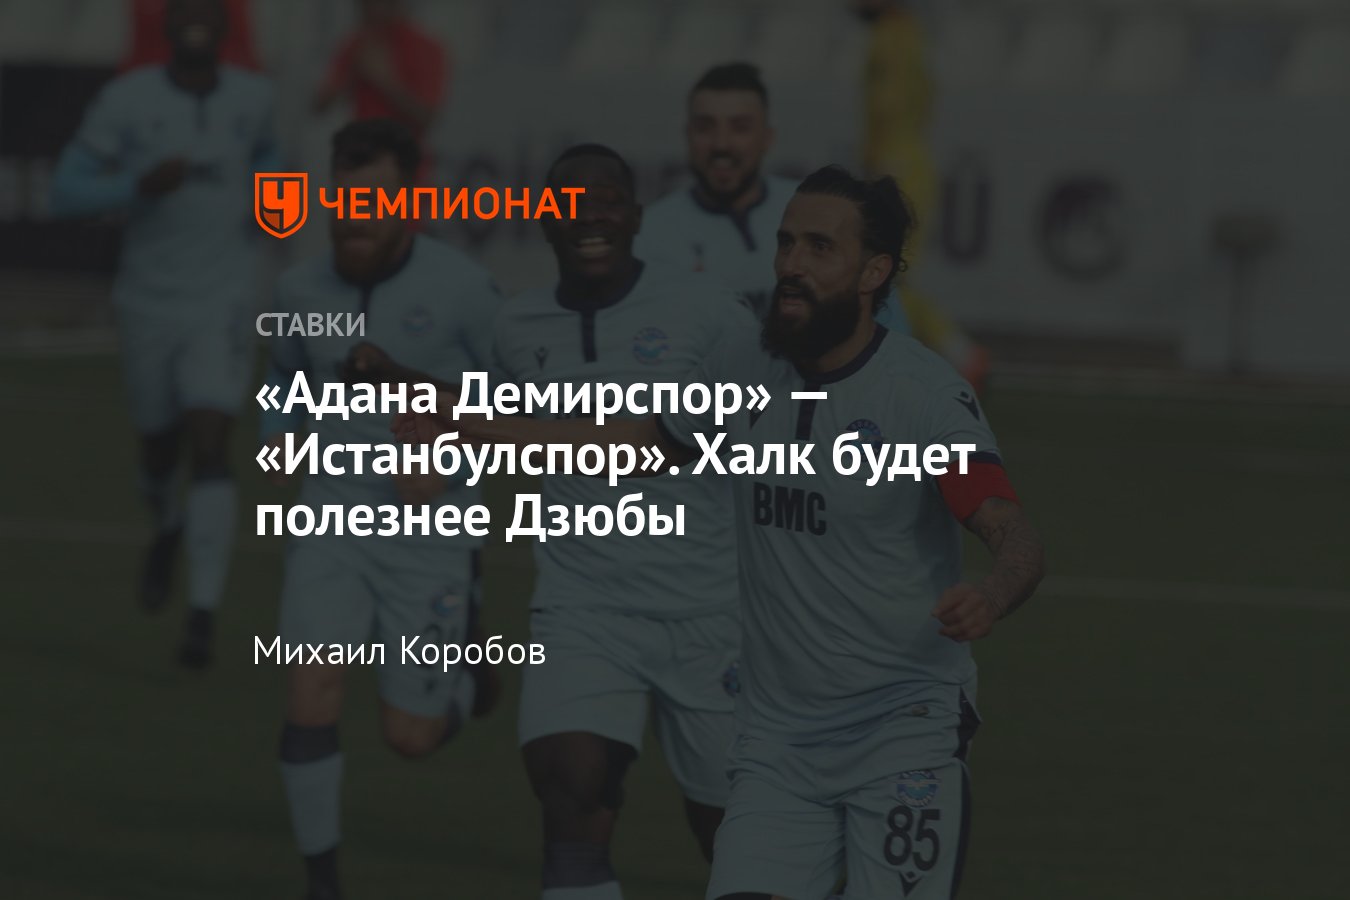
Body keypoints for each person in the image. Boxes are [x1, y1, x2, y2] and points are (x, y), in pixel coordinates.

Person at [395, 165, 1046, 899]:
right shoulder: (745, 365)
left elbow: (1012, 531)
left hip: (901, 735)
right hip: (776, 746)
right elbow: (632, 444)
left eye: (820, 248)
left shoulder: (920, 396)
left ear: (873, 273)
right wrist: (468, 423)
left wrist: (992, 594)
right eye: (787, 242)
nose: (792, 263)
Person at [358, 143, 747, 899]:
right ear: (545, 221)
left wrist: (459, 418)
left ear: (636, 216)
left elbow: (649, 443)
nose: (590, 217)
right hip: (583, 610)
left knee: (734, 839)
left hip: (712, 614)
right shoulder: (518, 325)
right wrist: (433, 463)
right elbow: (497, 439)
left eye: (607, 202)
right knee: (569, 787)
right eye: (571, 203)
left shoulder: (707, 312)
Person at [261, 118, 500, 900]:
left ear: (412, 201)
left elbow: (520, 404)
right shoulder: (299, 290)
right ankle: (322, 883)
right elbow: (283, 390)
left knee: (411, 737)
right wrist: (283, 439)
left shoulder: (463, 290)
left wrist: (450, 460)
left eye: (375, 202)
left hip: (431, 538)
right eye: (344, 200)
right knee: (310, 688)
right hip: (331, 523)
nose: (354, 217)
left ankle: (467, 669)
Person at [49, 0, 277, 666]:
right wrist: (137, 185)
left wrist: (273, 211)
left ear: (227, 25)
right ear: (167, 24)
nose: (197, 19)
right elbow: (66, 191)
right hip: (148, 300)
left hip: (223, 298)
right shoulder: (127, 98)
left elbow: (275, 166)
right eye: (185, 10)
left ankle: (202, 613)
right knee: (158, 449)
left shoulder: (255, 97)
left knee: (212, 439)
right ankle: (168, 524)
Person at [639, 62, 908, 331]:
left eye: (740, 127)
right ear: (687, 135)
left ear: (768, 137)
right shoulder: (649, 236)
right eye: (705, 127)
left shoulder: (821, 209)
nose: (721, 143)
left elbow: (886, 326)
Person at [854, 0, 988, 390]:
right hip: (908, 161)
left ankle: (951, 354)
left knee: (885, 275)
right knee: (888, 275)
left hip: (896, 168)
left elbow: (887, 105)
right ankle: (958, 354)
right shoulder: (910, 35)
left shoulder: (889, 38)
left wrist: (875, 164)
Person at [313, 0, 447, 141]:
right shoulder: (357, 43)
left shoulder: (424, 47)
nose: (365, 10)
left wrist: (384, 80)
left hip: (405, 152)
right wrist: (352, 72)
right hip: (363, 149)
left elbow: (427, 118)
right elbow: (319, 104)